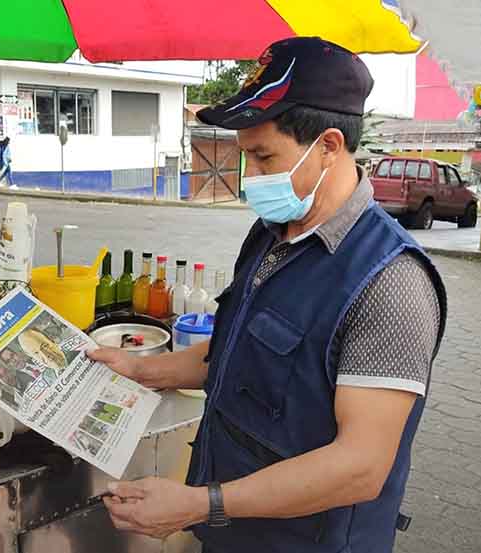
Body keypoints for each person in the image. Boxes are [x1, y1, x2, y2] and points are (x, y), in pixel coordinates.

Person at [89, 37, 447, 553]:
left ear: (327, 146)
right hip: (232, 530)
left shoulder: (391, 285)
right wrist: (142, 370)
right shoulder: (272, 232)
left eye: (262, 157)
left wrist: (199, 503)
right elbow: (235, 356)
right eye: (245, 159)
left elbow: (361, 467)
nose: (248, 180)